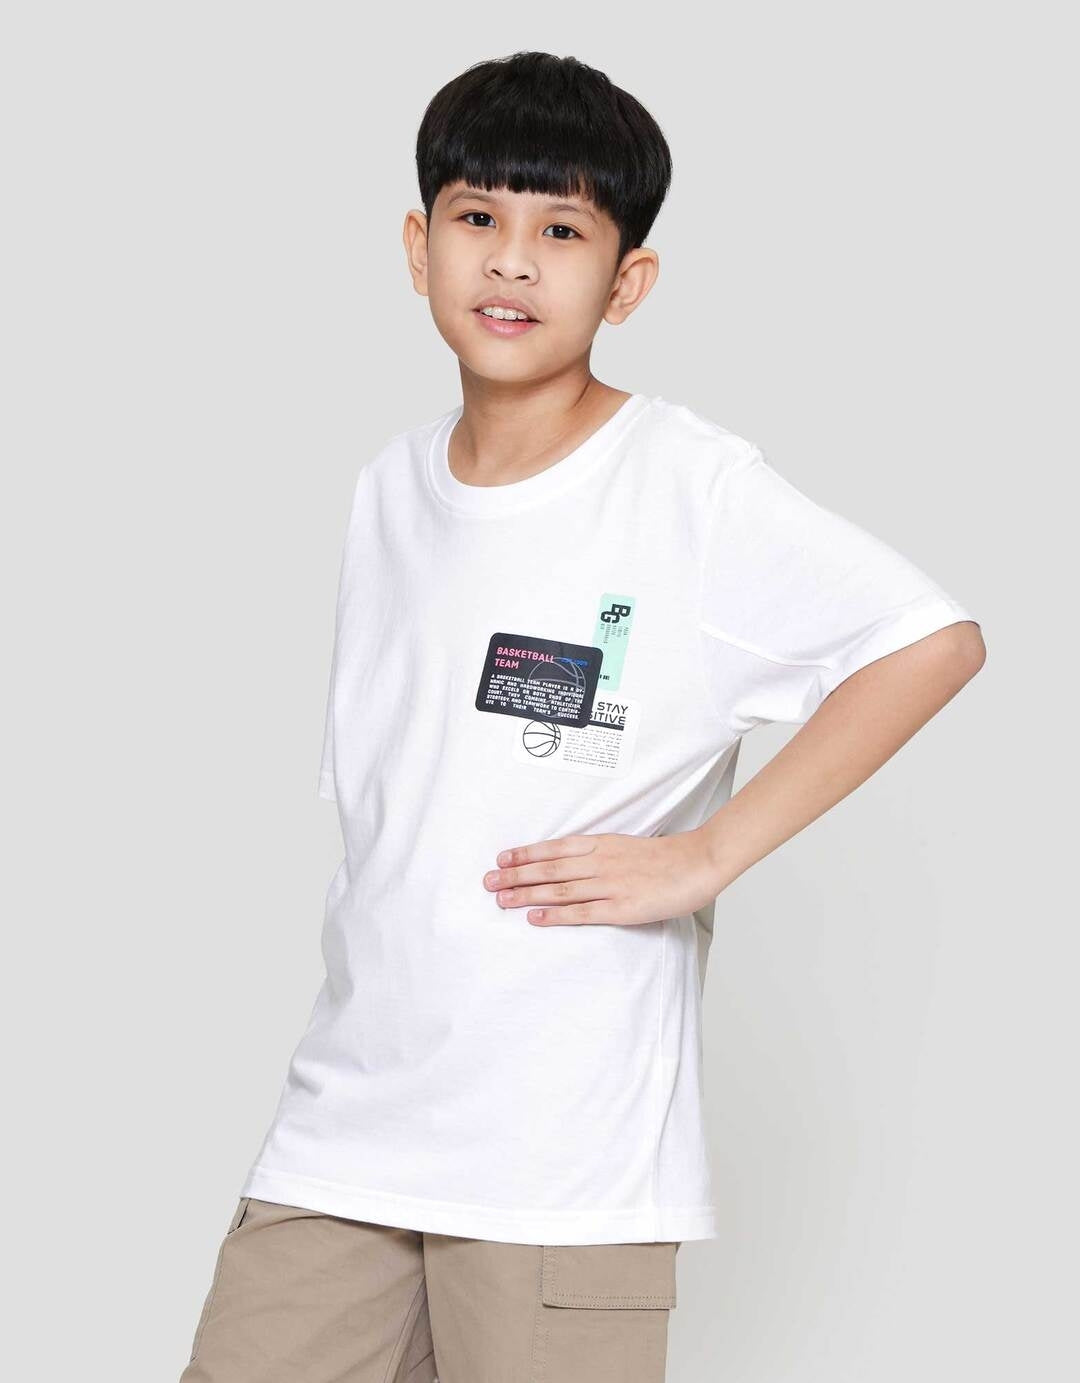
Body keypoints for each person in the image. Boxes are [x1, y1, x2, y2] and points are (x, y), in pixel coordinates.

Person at [179, 49, 986, 1383]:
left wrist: (706, 854)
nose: (511, 260)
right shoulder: (389, 491)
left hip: (561, 1161)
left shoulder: (685, 487)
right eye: (477, 217)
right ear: (418, 246)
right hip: (347, 1132)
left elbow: (929, 641)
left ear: (627, 283)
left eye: (561, 231)